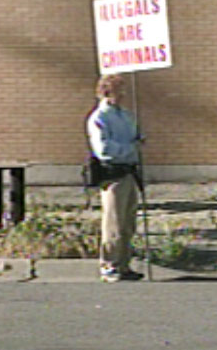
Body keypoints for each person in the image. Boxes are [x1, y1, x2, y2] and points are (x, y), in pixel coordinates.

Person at [86, 74, 144, 283]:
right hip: (112, 173)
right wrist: (130, 149)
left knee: (128, 221)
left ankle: (124, 263)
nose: (124, 94)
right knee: (113, 222)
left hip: (129, 171)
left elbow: (135, 136)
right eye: (120, 90)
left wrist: (138, 138)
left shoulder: (126, 115)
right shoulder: (99, 118)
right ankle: (109, 265)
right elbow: (104, 150)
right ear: (107, 92)